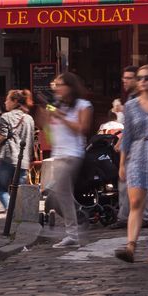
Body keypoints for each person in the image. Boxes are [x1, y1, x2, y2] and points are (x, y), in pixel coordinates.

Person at [115, 64, 148, 264]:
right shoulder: (131, 105)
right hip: (137, 154)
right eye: (140, 78)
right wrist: (122, 163)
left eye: (147, 78)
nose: (143, 81)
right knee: (136, 202)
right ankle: (131, 246)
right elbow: (127, 135)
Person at [44, 73, 94, 250]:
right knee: (56, 195)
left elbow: (82, 128)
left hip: (73, 154)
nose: (56, 89)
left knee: (62, 191)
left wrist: (60, 116)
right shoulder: (58, 105)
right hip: (58, 154)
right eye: (55, 85)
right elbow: (49, 132)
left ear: (70, 87)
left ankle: (73, 232)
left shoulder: (83, 105)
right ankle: (78, 220)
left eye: (60, 85)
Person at [0, 89, 36, 213]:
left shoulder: (5, 116)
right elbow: (31, 141)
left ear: (15, 101)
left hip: (8, 156)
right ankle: (19, 212)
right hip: (23, 159)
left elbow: (2, 137)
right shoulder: (29, 119)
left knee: (2, 189)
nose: (5, 102)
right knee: (19, 190)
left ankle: (9, 209)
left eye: (7, 99)